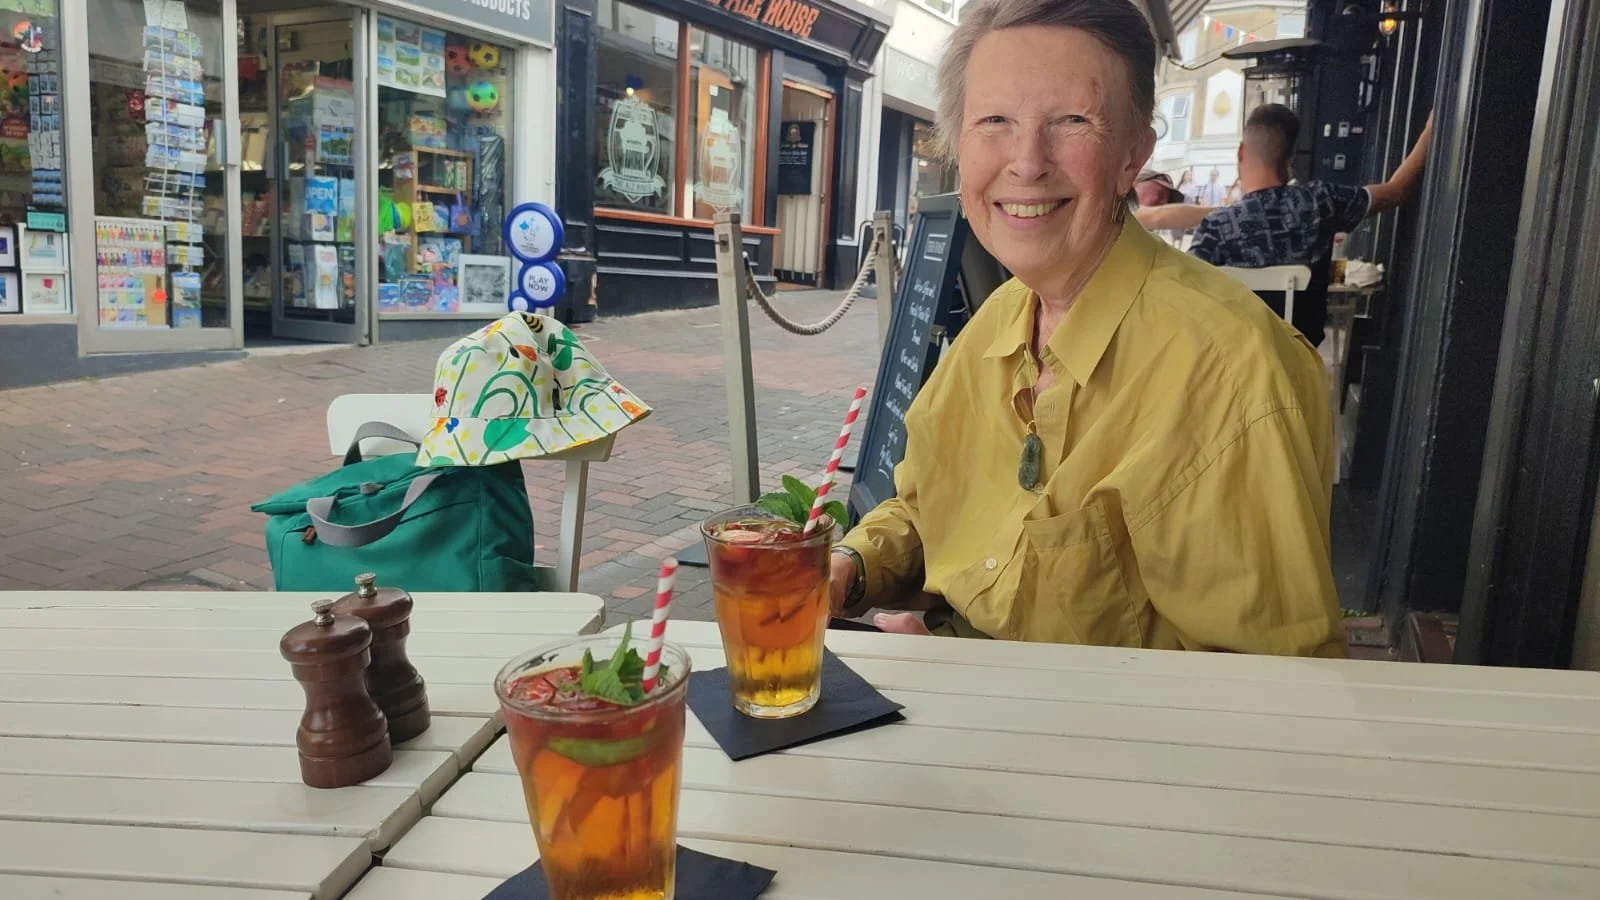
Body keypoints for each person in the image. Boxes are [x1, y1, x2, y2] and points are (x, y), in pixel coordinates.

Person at [830, 0, 1345, 657]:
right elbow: (928, 507)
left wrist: (971, 668)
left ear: (1134, 153)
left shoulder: (1234, 372)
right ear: (958, 145)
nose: (1026, 161)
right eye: (994, 121)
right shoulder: (996, 321)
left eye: (1072, 120)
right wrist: (851, 567)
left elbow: (1271, 701)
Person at [1185, 103, 1434, 342]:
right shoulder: (1320, 202)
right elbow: (1396, 191)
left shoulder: (1216, 228)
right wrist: (1430, 131)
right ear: (1290, 157)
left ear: (1241, 151)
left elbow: (1188, 296)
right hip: (1302, 360)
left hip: (1237, 365)